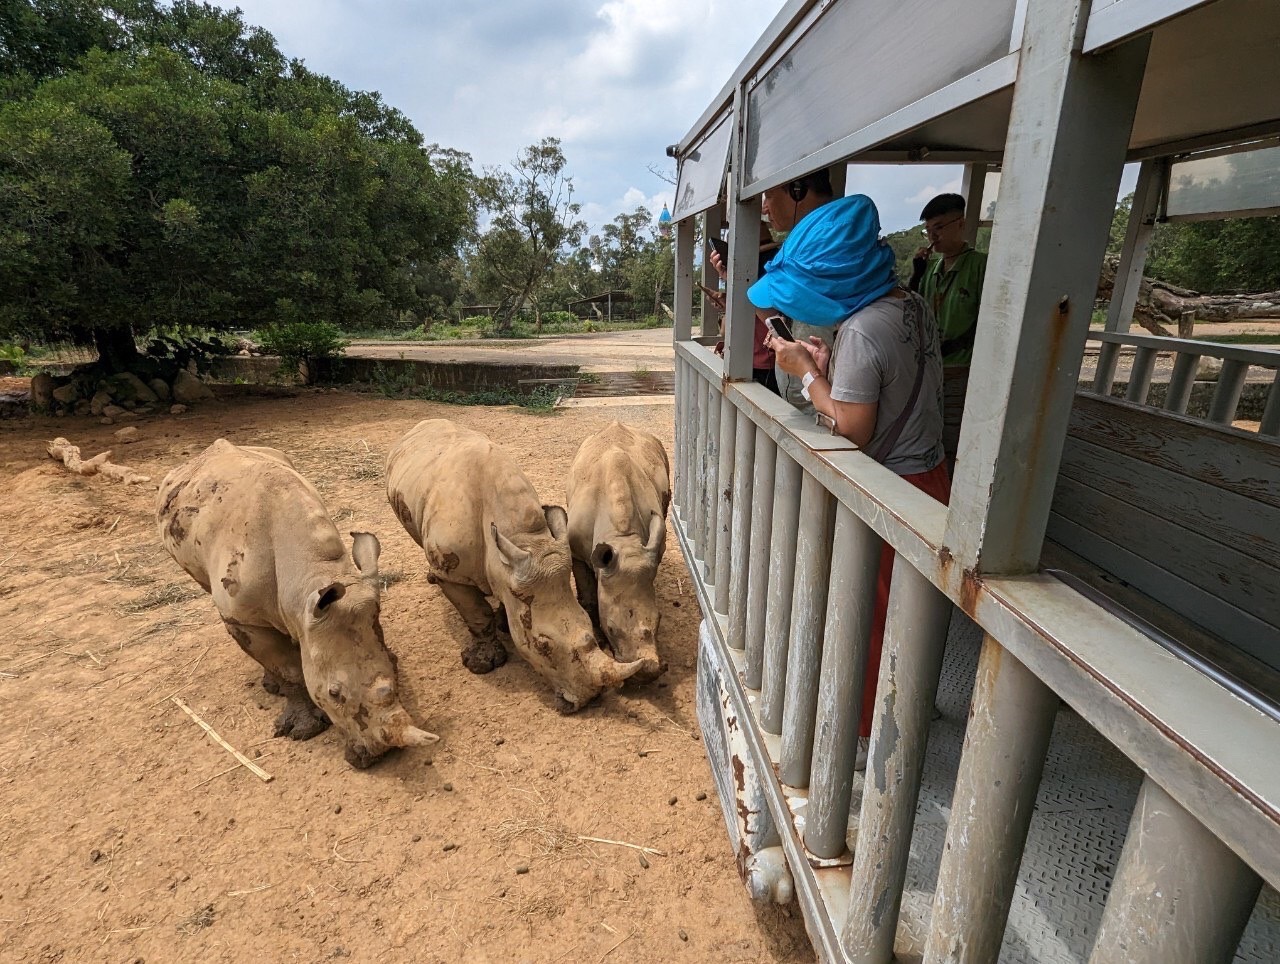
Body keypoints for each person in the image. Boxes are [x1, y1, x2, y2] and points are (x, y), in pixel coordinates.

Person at [753, 193, 951, 768]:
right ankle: (917, 703)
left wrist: (808, 371)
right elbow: (891, 388)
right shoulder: (910, 305)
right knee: (913, 612)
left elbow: (853, 428)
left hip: (892, 489)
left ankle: (863, 742)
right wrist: (829, 363)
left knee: (870, 615)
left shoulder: (862, 330)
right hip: (930, 474)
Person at [909, 193, 988, 366]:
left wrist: (955, 345)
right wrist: (916, 276)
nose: (932, 236)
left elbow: (988, 320)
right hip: (928, 367)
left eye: (939, 228)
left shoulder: (982, 266)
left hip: (963, 368)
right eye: (928, 231)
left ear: (960, 224)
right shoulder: (928, 269)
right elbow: (910, 311)